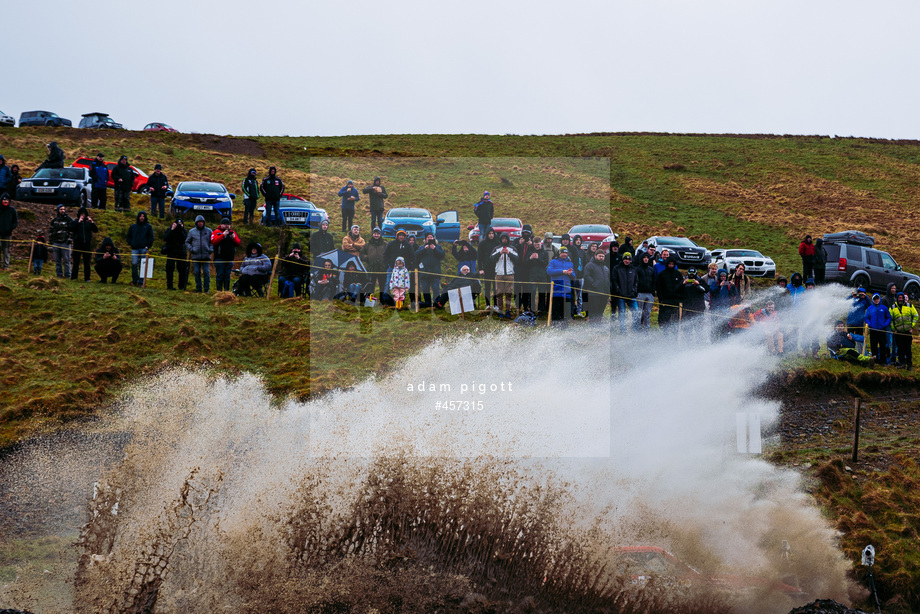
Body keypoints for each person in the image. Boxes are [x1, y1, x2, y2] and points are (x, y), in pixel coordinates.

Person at [489, 231, 519, 317]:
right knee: (499, 294)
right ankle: (501, 310)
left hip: (509, 274)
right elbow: (491, 259)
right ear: (500, 239)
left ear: (508, 239)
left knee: (508, 294)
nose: (504, 240)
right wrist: (500, 253)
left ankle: (508, 310)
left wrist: (509, 253)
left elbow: (517, 259)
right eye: (503, 238)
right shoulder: (496, 249)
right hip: (499, 274)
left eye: (506, 238)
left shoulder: (512, 249)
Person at [416, 232, 446, 308]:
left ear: (433, 238)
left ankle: (436, 303)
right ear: (425, 239)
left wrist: (435, 249)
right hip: (424, 273)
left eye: (431, 237)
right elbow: (416, 255)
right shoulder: (421, 247)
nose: (429, 238)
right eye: (428, 237)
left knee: (436, 289)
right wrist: (424, 249)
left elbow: (442, 255)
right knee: (425, 289)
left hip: (435, 272)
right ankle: (427, 303)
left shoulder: (438, 247)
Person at [546, 247, 575, 325]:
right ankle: (555, 325)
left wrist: (570, 273)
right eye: (562, 253)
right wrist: (562, 271)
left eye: (566, 253)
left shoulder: (570, 263)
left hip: (566, 289)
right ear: (559, 254)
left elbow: (574, 276)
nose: (564, 254)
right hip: (556, 289)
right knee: (556, 308)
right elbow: (549, 271)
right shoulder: (553, 261)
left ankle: (564, 326)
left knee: (565, 309)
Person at [211, 218, 241, 292]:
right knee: (220, 274)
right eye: (225, 224)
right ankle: (219, 291)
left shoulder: (232, 233)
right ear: (221, 225)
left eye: (228, 224)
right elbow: (213, 242)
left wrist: (234, 238)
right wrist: (222, 235)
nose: (227, 226)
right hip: (219, 258)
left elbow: (238, 243)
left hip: (229, 258)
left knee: (227, 275)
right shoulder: (216, 232)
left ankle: (227, 291)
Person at [889, 293, 918, 370]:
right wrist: (893, 329)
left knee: (908, 349)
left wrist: (912, 326)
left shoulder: (910, 306)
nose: (901, 299)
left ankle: (909, 364)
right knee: (900, 349)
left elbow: (916, 315)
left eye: (902, 297)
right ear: (897, 298)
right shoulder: (892, 307)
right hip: (898, 332)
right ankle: (902, 363)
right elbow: (890, 319)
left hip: (908, 332)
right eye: (899, 298)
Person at [185, 215, 213, 293]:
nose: (200, 224)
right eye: (199, 222)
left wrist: (210, 249)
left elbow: (212, 242)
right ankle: (198, 288)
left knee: (206, 272)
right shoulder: (192, 231)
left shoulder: (209, 231)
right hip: (196, 256)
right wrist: (191, 249)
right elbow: (187, 242)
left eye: (201, 222)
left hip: (206, 255)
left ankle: (206, 288)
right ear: (196, 223)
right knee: (197, 272)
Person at [611, 253, 638, 331]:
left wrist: (634, 291)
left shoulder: (633, 269)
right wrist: (617, 290)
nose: (627, 261)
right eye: (625, 259)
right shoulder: (617, 268)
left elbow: (636, 281)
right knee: (622, 313)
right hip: (621, 295)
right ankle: (623, 330)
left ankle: (635, 329)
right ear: (623, 259)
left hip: (631, 295)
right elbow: (614, 280)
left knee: (636, 311)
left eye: (629, 259)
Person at [126, 211, 154, 286]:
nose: (142, 218)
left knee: (143, 265)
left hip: (144, 248)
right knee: (134, 264)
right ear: (138, 217)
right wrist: (131, 243)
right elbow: (128, 236)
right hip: (135, 248)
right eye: (140, 216)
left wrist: (148, 246)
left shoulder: (148, 227)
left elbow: (151, 238)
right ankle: (135, 280)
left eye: (143, 216)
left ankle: (141, 281)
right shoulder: (133, 226)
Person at [656, 256, 684, 331]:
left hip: (676, 300)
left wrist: (680, 298)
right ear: (667, 264)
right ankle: (665, 333)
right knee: (665, 319)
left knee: (675, 319)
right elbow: (659, 288)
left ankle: (675, 334)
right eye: (669, 264)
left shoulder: (678, 274)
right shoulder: (662, 274)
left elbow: (682, 287)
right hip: (665, 300)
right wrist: (661, 299)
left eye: (672, 264)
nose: (671, 266)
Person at [70, 207, 98, 281]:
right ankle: (74, 277)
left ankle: (87, 278)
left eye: (84, 214)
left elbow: (96, 230)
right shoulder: (75, 222)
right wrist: (78, 222)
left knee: (87, 262)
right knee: (76, 262)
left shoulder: (88, 223)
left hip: (87, 244)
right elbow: (71, 228)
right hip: (77, 244)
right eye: (81, 214)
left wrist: (92, 222)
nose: (83, 215)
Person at [514, 228, 538, 312]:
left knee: (526, 289)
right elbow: (514, 252)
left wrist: (532, 245)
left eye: (527, 233)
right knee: (517, 289)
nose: (526, 235)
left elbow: (537, 251)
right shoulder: (517, 240)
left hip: (528, 269)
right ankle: (517, 306)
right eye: (524, 233)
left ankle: (525, 307)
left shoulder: (532, 242)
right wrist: (519, 244)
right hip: (518, 268)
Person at [583, 248, 610, 322]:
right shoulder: (590, 265)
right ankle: (593, 327)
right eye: (599, 256)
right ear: (595, 256)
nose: (601, 258)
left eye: (602, 256)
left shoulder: (605, 267)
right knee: (593, 312)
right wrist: (594, 283)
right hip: (594, 293)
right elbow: (586, 276)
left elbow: (608, 278)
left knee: (600, 312)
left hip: (604, 293)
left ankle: (598, 326)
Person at [865, 293, 891, 365]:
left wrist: (885, 324)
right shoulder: (870, 308)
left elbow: (889, 317)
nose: (876, 300)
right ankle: (874, 360)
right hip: (873, 330)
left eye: (877, 299)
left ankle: (883, 361)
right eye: (874, 299)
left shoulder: (884, 308)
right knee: (873, 346)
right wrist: (869, 324)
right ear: (873, 300)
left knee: (883, 346)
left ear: (879, 299)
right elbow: (866, 317)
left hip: (882, 330)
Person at [360, 227, 388, 297]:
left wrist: (386, 261)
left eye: (378, 234)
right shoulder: (367, 245)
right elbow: (361, 254)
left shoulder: (385, 244)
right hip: (371, 268)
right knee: (370, 285)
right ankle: (370, 300)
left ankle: (382, 300)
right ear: (372, 234)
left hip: (382, 269)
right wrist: (367, 258)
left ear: (380, 234)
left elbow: (389, 253)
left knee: (382, 286)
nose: (376, 235)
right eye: (375, 234)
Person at [163, 217, 188, 290]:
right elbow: (166, 238)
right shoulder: (170, 229)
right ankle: (169, 286)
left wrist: (182, 229)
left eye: (180, 224)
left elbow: (185, 239)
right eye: (178, 224)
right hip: (171, 252)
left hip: (181, 253)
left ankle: (181, 286)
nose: (179, 225)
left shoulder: (184, 231)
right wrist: (172, 229)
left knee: (182, 270)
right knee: (169, 269)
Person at [476, 226, 499, 310]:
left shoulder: (497, 242)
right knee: (487, 287)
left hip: (496, 268)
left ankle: (496, 304)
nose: (491, 235)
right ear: (487, 234)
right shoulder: (482, 243)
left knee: (495, 287)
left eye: (492, 233)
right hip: (486, 268)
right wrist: (480, 268)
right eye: (489, 233)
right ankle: (488, 304)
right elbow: (479, 257)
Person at [48, 204, 74, 278]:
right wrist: (51, 240)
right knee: (57, 260)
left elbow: (72, 231)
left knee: (66, 260)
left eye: (63, 209)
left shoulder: (69, 220)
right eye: (61, 209)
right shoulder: (54, 220)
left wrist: (69, 239)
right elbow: (50, 230)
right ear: (58, 210)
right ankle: (59, 274)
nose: (62, 211)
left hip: (65, 243)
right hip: (56, 242)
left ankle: (68, 274)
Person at [634, 251, 657, 330]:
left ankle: (646, 329)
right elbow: (635, 281)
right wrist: (636, 293)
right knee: (640, 313)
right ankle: (638, 328)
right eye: (645, 258)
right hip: (640, 293)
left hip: (649, 294)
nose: (646, 259)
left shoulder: (651, 270)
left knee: (647, 313)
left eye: (647, 258)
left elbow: (654, 281)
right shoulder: (637, 269)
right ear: (641, 259)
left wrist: (653, 292)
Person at [538, 231, 559, 313]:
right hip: (542, 272)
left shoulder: (554, 249)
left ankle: (549, 308)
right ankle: (541, 308)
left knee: (550, 291)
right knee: (542, 291)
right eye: (548, 239)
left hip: (551, 273)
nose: (549, 241)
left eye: (550, 239)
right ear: (545, 239)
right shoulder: (541, 248)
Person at [569, 235, 587, 317]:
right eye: (577, 240)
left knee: (579, 295)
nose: (578, 241)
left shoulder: (583, 252)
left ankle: (579, 311)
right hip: (572, 275)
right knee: (571, 294)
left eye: (580, 240)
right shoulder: (571, 250)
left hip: (580, 276)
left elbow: (585, 263)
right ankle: (571, 311)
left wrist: (583, 273)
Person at [0, 193, 18, 270]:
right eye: (4, 200)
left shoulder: (12, 210)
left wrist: (10, 228)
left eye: (7, 200)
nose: (5, 201)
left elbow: (15, 222)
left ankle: (6, 266)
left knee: (6, 250)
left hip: (7, 234)